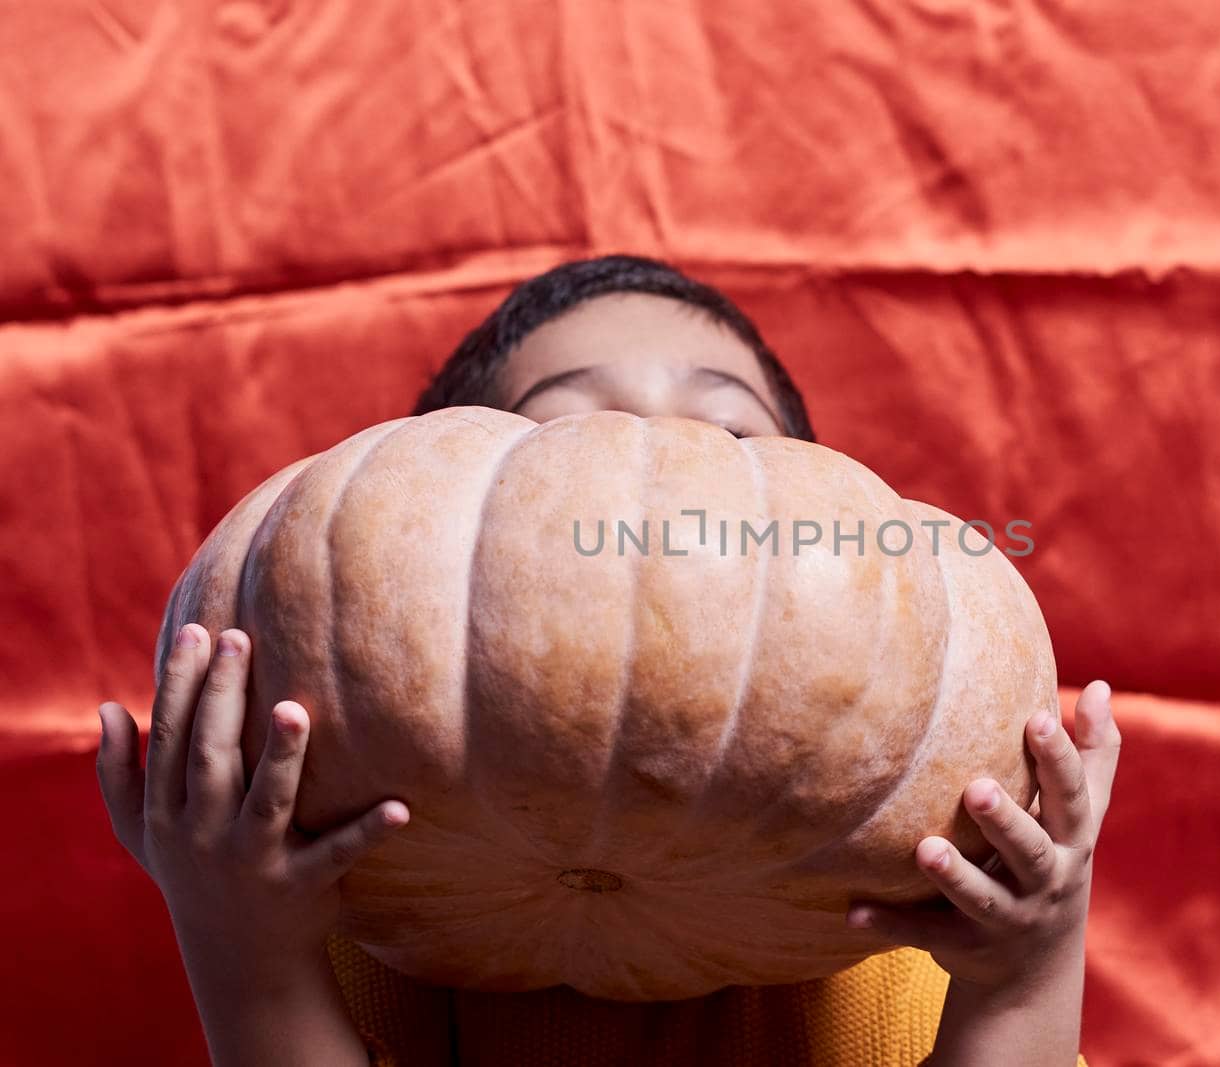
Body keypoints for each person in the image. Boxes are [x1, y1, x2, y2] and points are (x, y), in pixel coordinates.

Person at [95, 255, 1120, 1066]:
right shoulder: (359, 942)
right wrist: (246, 949)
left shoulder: (911, 941)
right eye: (572, 422)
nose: (654, 456)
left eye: (723, 429)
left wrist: (1025, 975)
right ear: (429, 501)